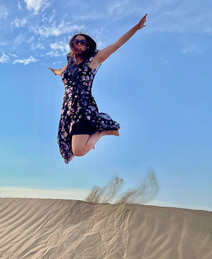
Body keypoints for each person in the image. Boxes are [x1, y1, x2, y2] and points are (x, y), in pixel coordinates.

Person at [50, 14, 147, 164]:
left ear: (87, 45)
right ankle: (99, 131)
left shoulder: (93, 60)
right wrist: (55, 71)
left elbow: (116, 45)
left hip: (83, 108)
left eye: (82, 42)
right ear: (72, 45)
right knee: (70, 152)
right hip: (68, 110)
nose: (79, 44)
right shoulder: (69, 66)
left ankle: (103, 130)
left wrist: (136, 28)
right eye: (75, 42)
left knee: (79, 151)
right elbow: (60, 71)